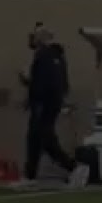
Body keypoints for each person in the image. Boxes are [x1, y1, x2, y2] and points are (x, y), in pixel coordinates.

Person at [16, 25, 87, 189]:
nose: (32, 39)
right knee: (36, 138)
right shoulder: (57, 57)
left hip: (43, 104)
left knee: (43, 138)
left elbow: (45, 83)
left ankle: (74, 167)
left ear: (42, 38)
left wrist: (32, 90)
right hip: (46, 103)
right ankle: (30, 175)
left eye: (35, 36)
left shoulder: (45, 56)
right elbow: (59, 83)